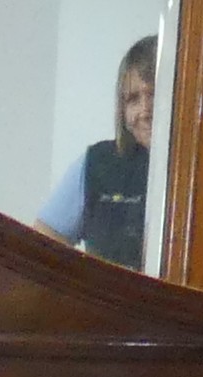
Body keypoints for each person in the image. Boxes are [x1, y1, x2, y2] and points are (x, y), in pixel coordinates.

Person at [36, 34, 155, 271]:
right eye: (133, 99)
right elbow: (43, 243)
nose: (145, 110)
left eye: (154, 94)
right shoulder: (97, 163)